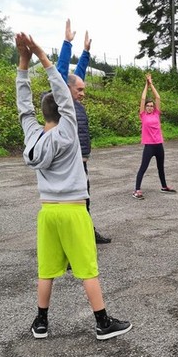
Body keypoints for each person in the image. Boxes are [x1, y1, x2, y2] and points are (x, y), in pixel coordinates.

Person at [16, 32, 132, 341]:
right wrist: (43, 57)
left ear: (43, 113)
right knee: (87, 268)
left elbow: (24, 107)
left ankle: (41, 322)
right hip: (73, 210)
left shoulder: (32, 136)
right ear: (64, 107)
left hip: (47, 213)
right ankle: (102, 323)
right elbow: (61, 94)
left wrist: (23, 64)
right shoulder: (67, 131)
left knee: (47, 269)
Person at [56, 19, 111, 243]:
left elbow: (77, 76)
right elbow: (61, 73)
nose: (82, 93)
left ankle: (87, 232)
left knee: (84, 198)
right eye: (79, 90)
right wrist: (67, 43)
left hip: (81, 162)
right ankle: (70, 242)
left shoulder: (76, 101)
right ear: (65, 88)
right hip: (68, 163)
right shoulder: (63, 103)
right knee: (70, 203)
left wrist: (86, 52)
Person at [133, 74, 175, 198]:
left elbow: (158, 97)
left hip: (159, 145)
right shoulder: (143, 115)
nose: (150, 107)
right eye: (148, 106)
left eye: (151, 106)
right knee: (143, 167)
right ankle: (137, 190)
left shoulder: (156, 113)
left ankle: (164, 186)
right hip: (149, 146)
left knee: (160, 167)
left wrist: (151, 84)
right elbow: (142, 98)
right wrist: (146, 85)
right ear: (145, 107)